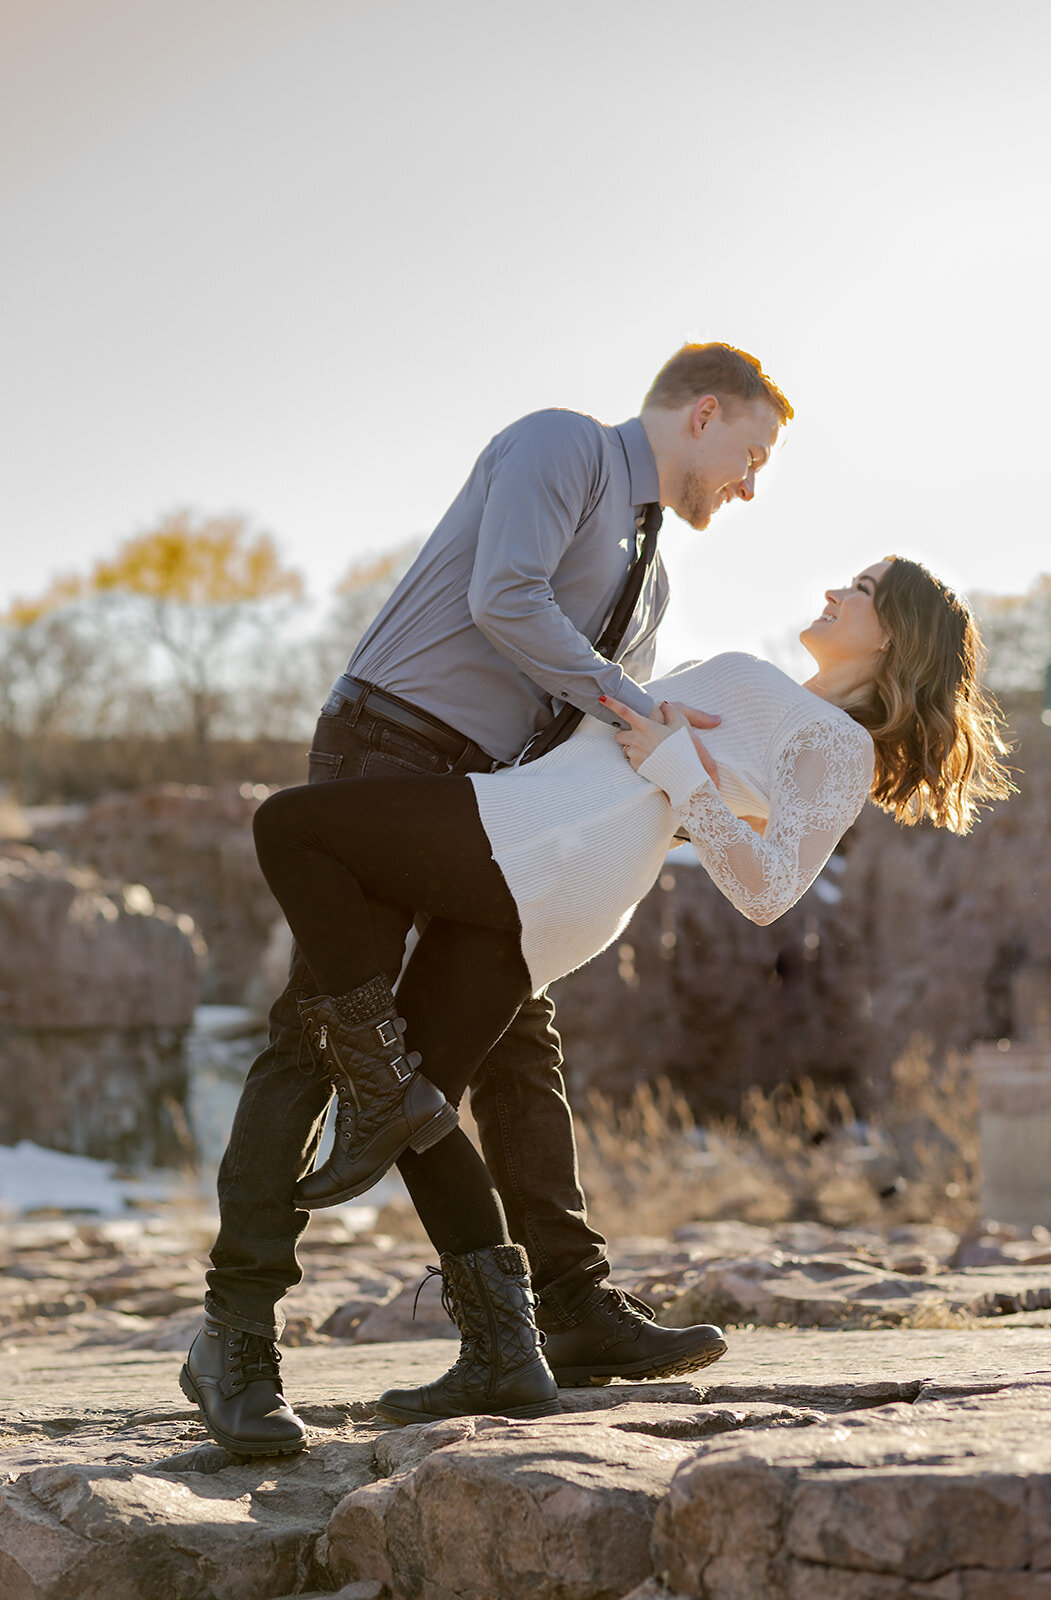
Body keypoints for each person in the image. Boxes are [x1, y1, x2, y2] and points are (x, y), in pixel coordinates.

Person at [233, 554, 1011, 1428]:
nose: (834, 590)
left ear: (897, 636)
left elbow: (766, 891)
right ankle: (503, 1353)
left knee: (291, 827)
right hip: (555, 851)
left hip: (544, 843)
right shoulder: (799, 712)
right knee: (419, 1103)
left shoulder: (836, 743)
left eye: (861, 590)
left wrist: (681, 768)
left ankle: (368, 1072)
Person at [184, 342, 791, 1456]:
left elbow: (601, 732)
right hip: (386, 752)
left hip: (489, 805)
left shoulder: (652, 577)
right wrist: (625, 697)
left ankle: (565, 1305)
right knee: (315, 1039)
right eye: (749, 454)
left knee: (521, 1033)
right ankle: (233, 1332)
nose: (747, 484)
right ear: (703, 413)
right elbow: (503, 598)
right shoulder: (562, 444)